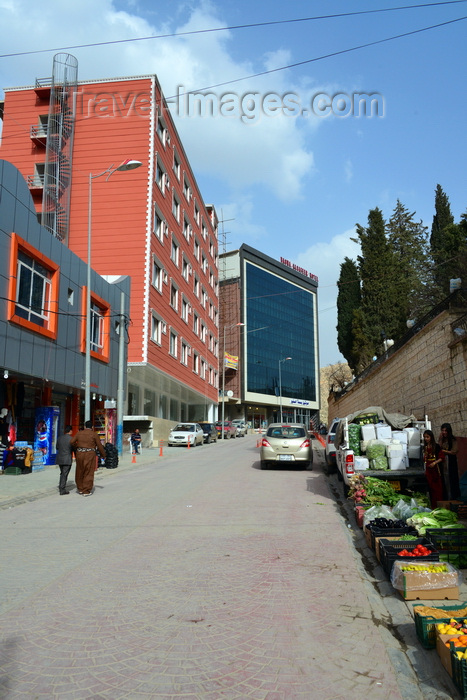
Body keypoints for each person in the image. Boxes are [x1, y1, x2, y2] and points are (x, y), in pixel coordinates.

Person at [71, 420, 106, 496]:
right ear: (92, 427)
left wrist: (77, 448)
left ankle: (80, 488)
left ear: (84, 427)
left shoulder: (79, 433)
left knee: (79, 471)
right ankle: (86, 490)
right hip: (90, 454)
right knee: (88, 471)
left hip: (80, 454)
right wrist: (103, 455)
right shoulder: (94, 434)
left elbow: (71, 442)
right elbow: (99, 446)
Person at [423, 430, 445, 509]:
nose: (426, 439)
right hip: (429, 470)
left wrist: (435, 463)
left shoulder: (436, 446)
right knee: (431, 488)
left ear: (431, 437)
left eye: (427, 437)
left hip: (436, 469)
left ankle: (440, 505)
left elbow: (442, 457)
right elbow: (425, 459)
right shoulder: (425, 447)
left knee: (438, 488)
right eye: (425, 437)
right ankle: (433, 506)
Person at [438, 422, 461, 500]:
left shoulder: (452, 440)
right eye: (443, 430)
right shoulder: (442, 439)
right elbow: (439, 448)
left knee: (452, 479)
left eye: (445, 431)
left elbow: (454, 451)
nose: (444, 432)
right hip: (443, 462)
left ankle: (453, 497)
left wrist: (444, 451)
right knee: (444, 479)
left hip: (450, 462)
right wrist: (440, 439)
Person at [55, 425, 74, 495]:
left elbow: (57, 447)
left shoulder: (60, 438)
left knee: (62, 473)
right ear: (70, 431)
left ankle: (61, 486)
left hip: (60, 458)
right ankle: (62, 489)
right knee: (64, 474)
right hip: (67, 459)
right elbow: (73, 448)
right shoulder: (71, 439)